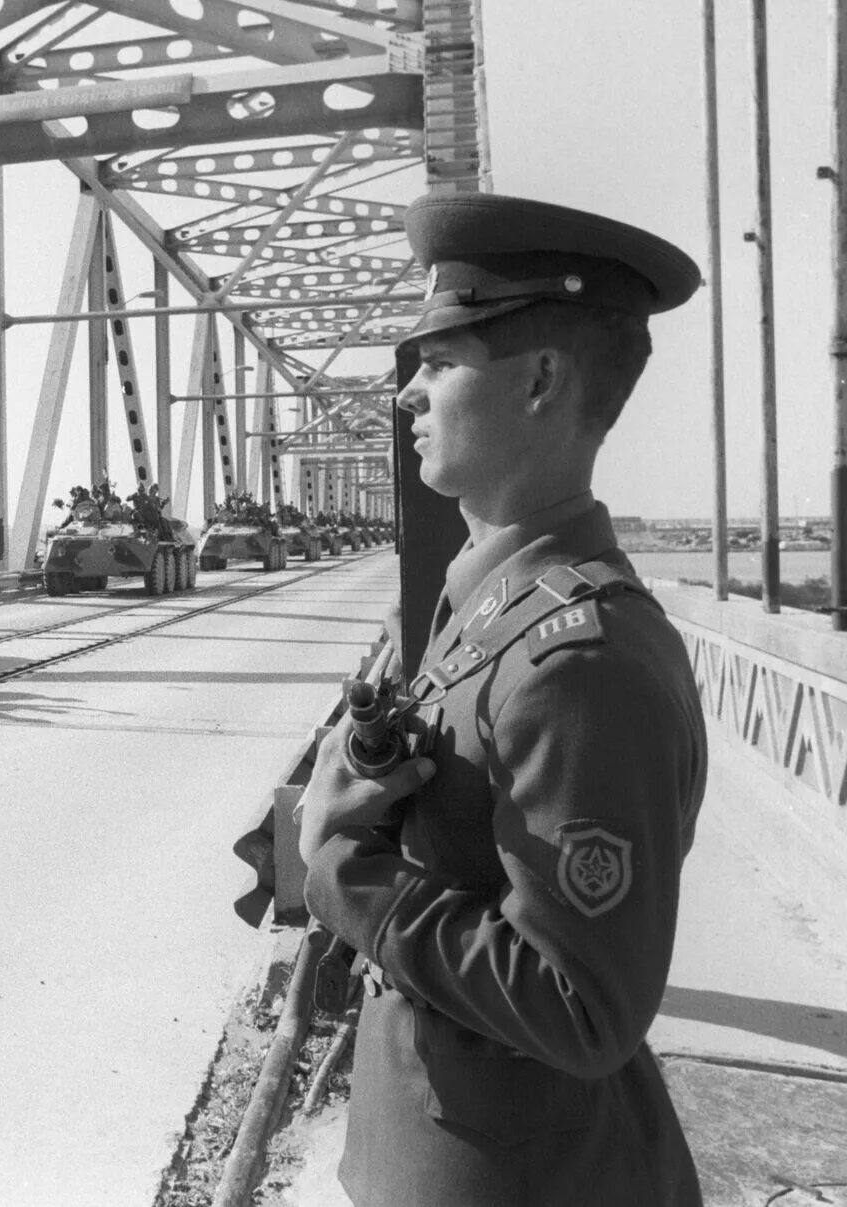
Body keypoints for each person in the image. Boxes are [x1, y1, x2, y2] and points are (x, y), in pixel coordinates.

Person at [295, 193, 706, 1207]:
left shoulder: (582, 658)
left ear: (540, 381)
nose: (406, 395)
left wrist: (346, 871)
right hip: (445, 1142)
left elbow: (582, 1005)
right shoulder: (483, 602)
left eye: (438, 359)